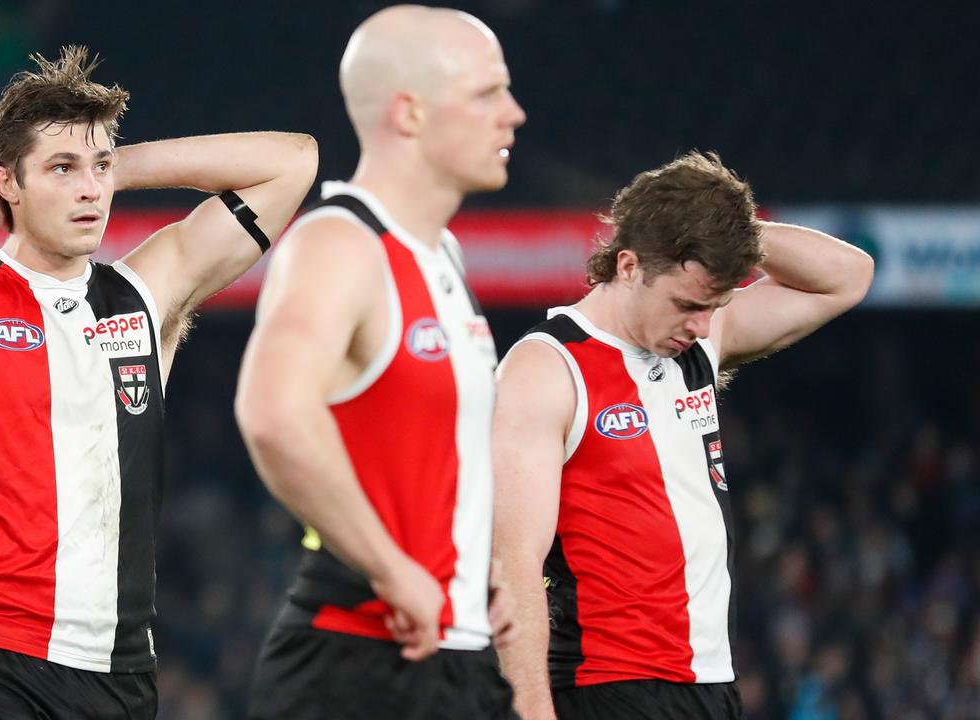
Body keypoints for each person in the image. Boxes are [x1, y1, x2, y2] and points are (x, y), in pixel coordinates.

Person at [0, 46, 316, 718]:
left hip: (121, 664)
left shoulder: (146, 293)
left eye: (97, 168)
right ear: (9, 182)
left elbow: (294, 161)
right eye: (62, 169)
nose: (88, 189)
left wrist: (115, 163)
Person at [491, 152, 875, 719]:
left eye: (713, 307)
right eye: (688, 305)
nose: (700, 325)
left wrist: (732, 231)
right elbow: (512, 564)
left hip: (709, 683)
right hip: (606, 686)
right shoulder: (547, 368)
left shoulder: (697, 338)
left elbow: (849, 278)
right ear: (628, 265)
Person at [234, 6, 526, 719]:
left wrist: (469, 565)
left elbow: (419, 451)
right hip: (361, 660)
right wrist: (394, 570)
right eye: (487, 93)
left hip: (453, 652)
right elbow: (273, 412)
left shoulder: (442, 256)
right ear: (410, 113)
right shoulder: (339, 243)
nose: (513, 114)